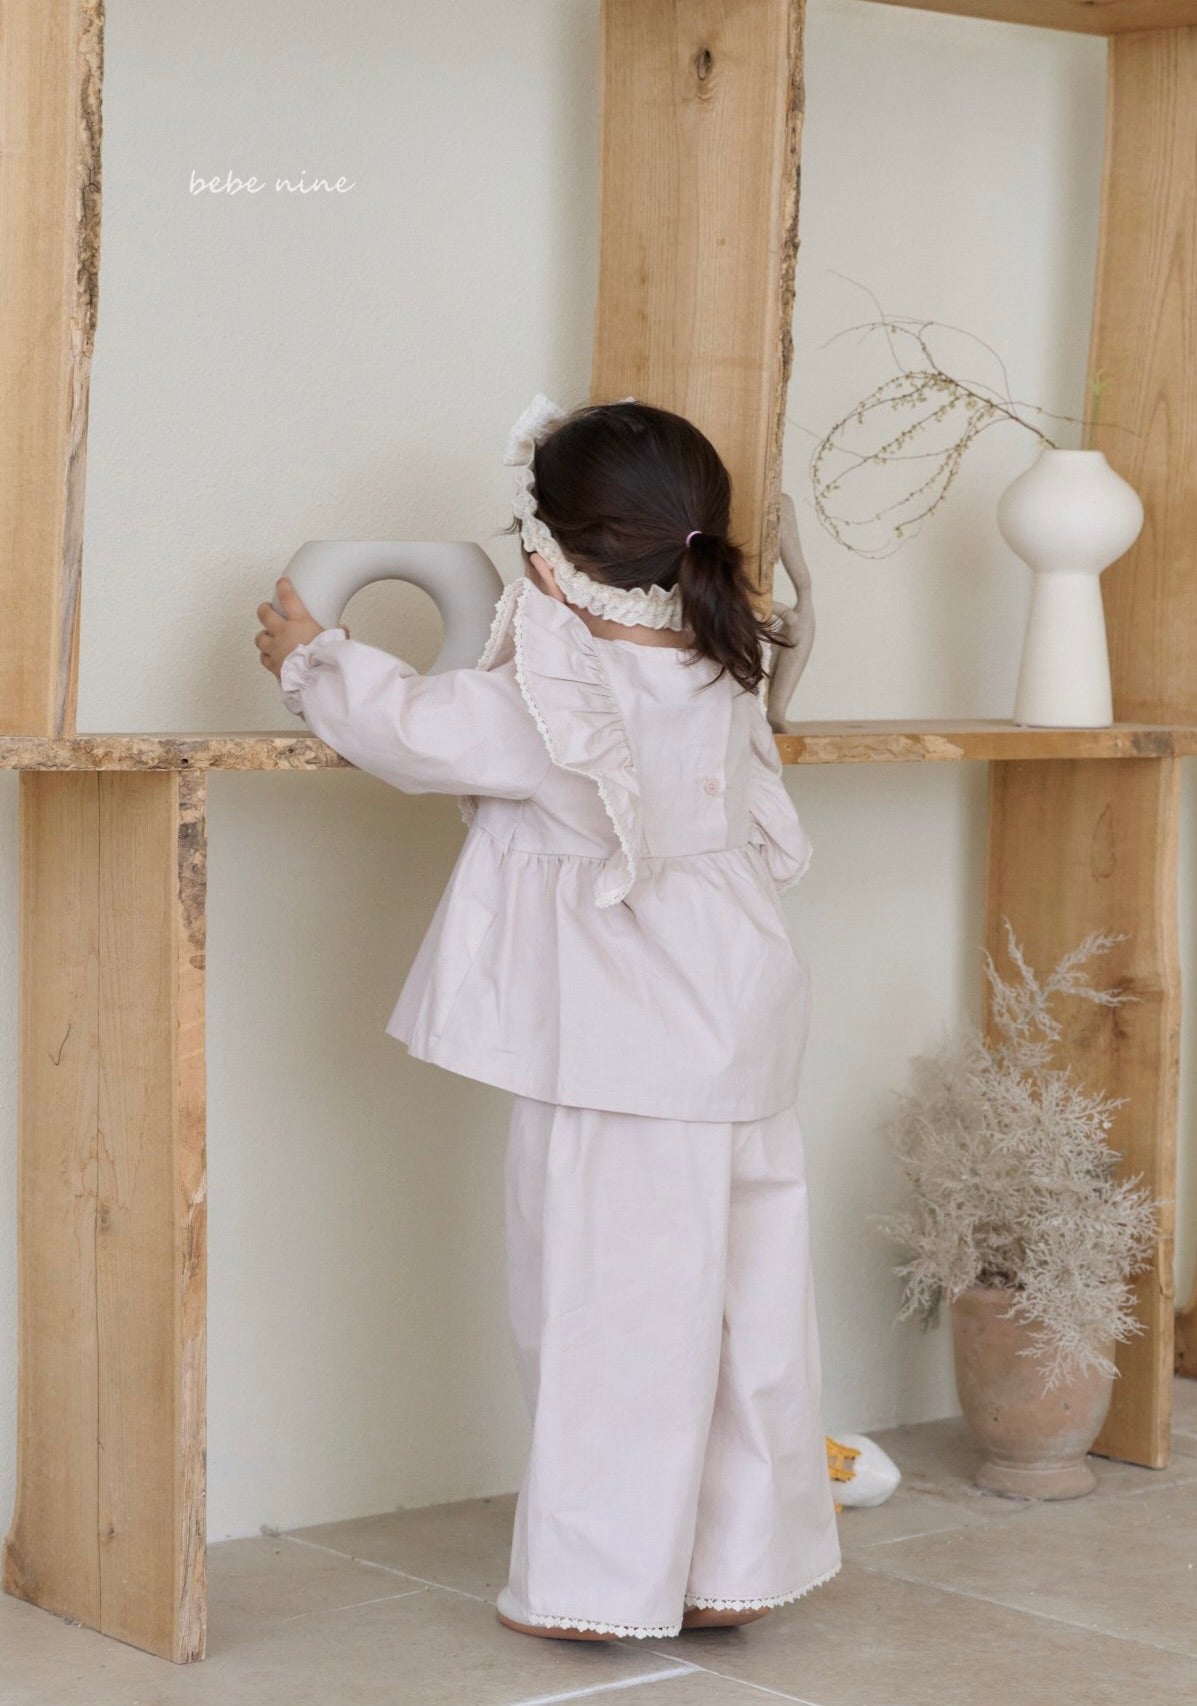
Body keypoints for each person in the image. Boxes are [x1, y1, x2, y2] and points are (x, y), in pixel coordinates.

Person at [253, 392, 843, 1642]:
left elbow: (409, 729)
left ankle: (599, 1588)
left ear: (547, 553)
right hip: (739, 1025)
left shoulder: (553, 696)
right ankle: (731, 1563)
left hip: (621, 1052)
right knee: (744, 1310)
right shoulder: (717, 665)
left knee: (606, 1316)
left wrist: (313, 654)